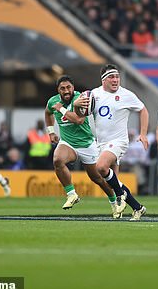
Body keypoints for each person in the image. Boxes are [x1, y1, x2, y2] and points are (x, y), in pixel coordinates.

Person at [75, 64, 148, 221]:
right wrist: (76, 105)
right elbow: (81, 116)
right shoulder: (93, 94)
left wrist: (143, 134)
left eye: (117, 77)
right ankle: (137, 207)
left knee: (101, 167)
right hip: (102, 143)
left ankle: (121, 195)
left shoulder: (127, 95)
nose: (115, 80)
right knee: (113, 183)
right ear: (103, 80)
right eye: (111, 77)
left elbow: (143, 110)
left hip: (119, 141)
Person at [45, 75, 119, 212]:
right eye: (62, 88)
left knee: (98, 178)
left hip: (87, 145)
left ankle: (114, 201)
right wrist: (51, 131)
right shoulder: (53, 101)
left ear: (73, 88)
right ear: (58, 90)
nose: (66, 91)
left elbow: (78, 120)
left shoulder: (81, 98)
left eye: (68, 87)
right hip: (68, 143)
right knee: (57, 160)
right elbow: (48, 113)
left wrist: (61, 108)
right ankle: (71, 194)